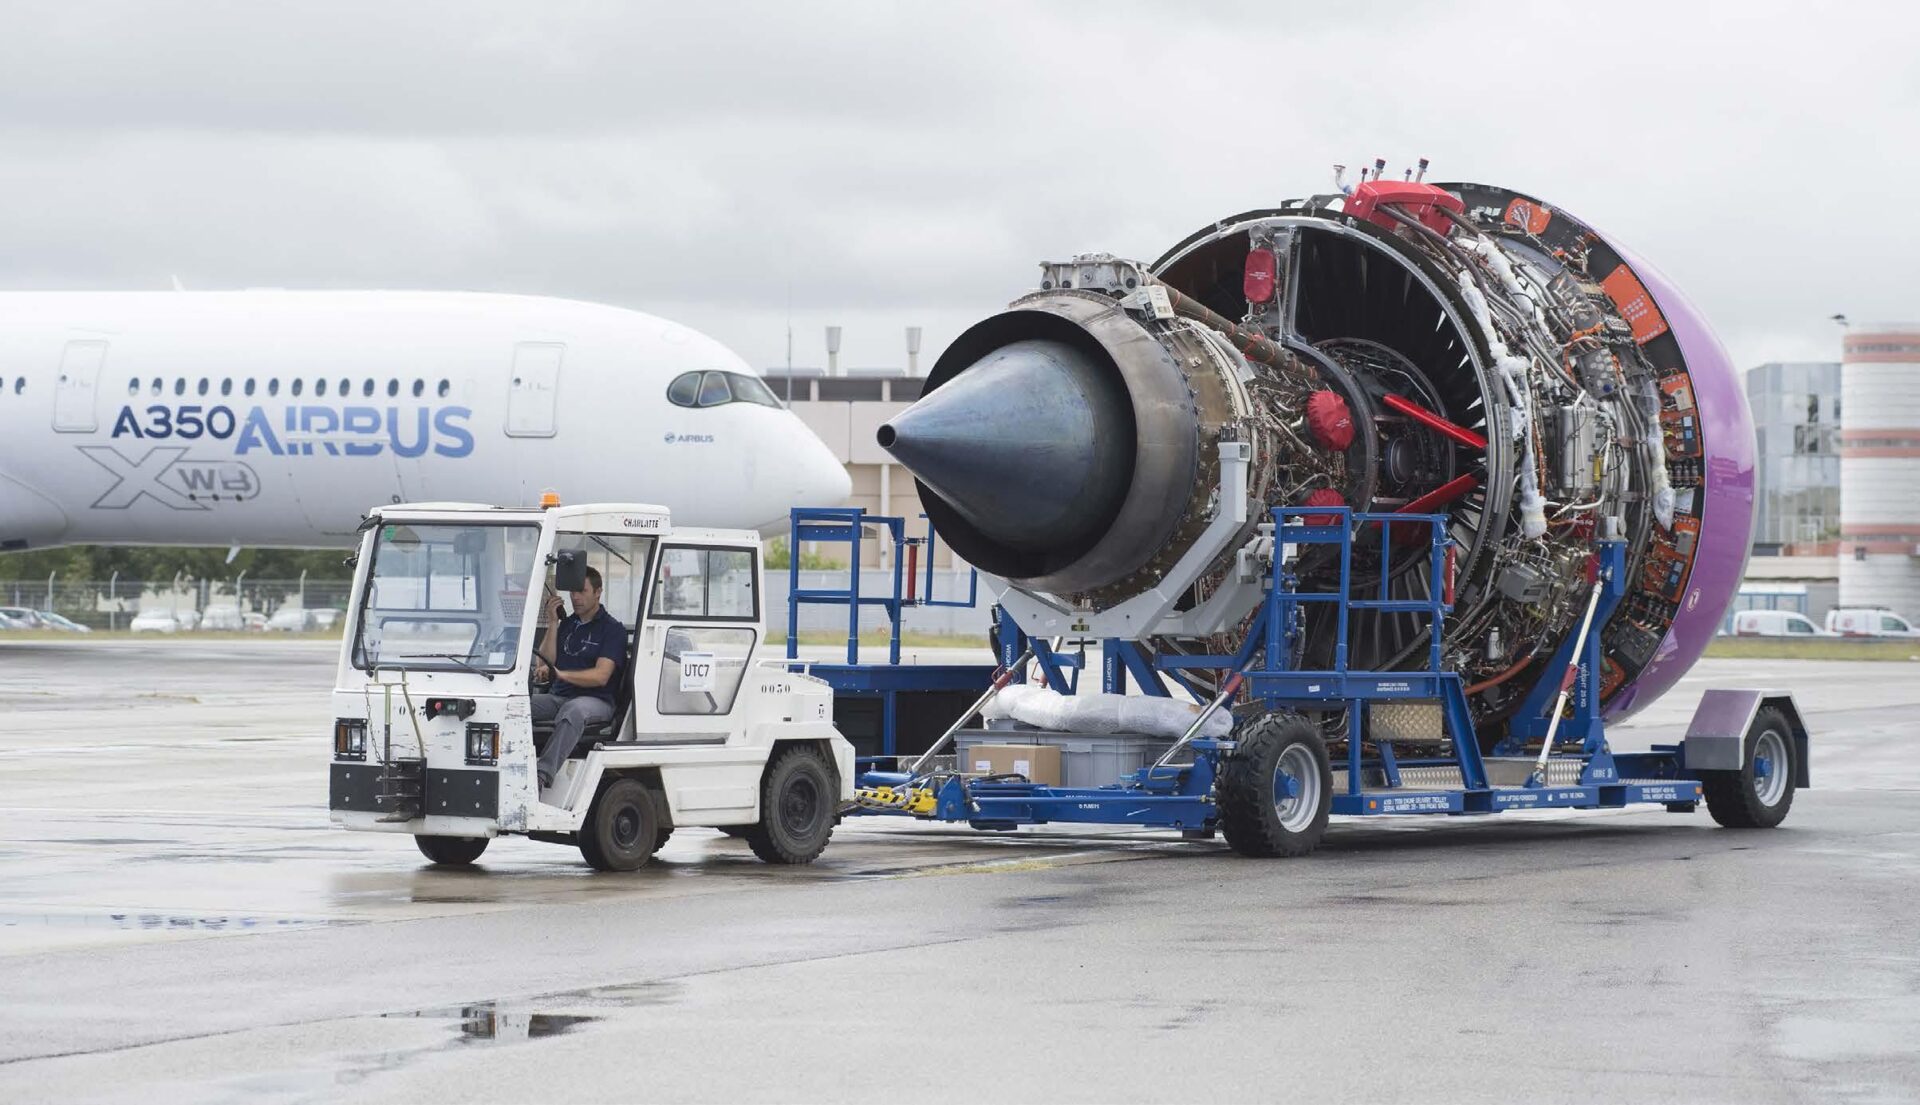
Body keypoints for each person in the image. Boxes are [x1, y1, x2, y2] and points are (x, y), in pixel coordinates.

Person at [531, 566, 626, 789]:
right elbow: (544, 661)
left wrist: (562, 674)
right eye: (573, 592)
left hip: (596, 700)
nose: (575, 597)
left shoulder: (612, 630)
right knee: (516, 705)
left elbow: (601, 676)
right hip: (559, 696)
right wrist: (554, 622)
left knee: (573, 711)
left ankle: (540, 776)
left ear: (598, 592)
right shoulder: (568, 624)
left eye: (582, 591)